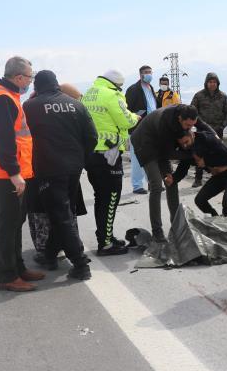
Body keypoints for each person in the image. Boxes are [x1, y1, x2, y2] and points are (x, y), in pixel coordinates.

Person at [0, 56, 45, 292]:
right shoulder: (2, 98)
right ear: (18, 77)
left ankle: (18, 268)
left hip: (9, 170)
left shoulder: (6, 95)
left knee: (16, 222)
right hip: (6, 172)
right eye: (29, 77)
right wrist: (14, 173)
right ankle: (7, 276)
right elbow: (3, 140)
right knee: (8, 225)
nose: (30, 81)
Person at [24, 71, 97, 280]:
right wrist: (79, 158)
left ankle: (81, 264)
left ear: (36, 87)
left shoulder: (29, 107)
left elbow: (22, 139)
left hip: (47, 169)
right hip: (73, 168)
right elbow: (92, 137)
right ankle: (49, 255)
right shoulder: (76, 104)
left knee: (61, 215)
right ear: (56, 84)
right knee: (63, 213)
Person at [130, 104, 215, 242]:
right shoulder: (166, 122)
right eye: (187, 125)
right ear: (180, 118)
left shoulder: (188, 115)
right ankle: (157, 231)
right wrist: (191, 156)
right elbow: (168, 153)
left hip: (162, 145)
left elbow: (203, 126)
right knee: (157, 185)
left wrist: (215, 136)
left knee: (171, 182)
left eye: (191, 126)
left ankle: (177, 227)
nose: (189, 128)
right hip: (145, 143)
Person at [82, 69, 140, 255]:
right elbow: (125, 121)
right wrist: (136, 117)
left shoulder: (89, 94)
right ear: (116, 84)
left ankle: (106, 236)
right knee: (111, 198)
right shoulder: (112, 94)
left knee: (101, 197)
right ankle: (105, 244)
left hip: (91, 154)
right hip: (109, 154)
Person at [172, 131, 227, 217]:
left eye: (186, 142)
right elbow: (182, 168)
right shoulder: (187, 150)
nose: (185, 146)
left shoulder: (206, 139)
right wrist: (173, 179)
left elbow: (226, 154)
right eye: (182, 144)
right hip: (218, 177)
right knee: (199, 200)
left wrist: (206, 161)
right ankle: (215, 217)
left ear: (192, 135)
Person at [190, 72, 227, 187]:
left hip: (217, 131)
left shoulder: (223, 96)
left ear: (217, 83)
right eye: (210, 82)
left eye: (214, 82)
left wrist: (222, 125)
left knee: (217, 155)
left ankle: (218, 179)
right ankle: (198, 179)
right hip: (202, 132)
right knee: (200, 154)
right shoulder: (199, 96)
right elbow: (192, 112)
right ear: (206, 83)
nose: (212, 84)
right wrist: (199, 124)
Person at [125, 65, 159, 194]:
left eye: (150, 72)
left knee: (151, 157)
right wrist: (137, 115)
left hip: (153, 128)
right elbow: (127, 109)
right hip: (138, 128)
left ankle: (152, 182)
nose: (149, 74)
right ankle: (137, 185)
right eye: (146, 72)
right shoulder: (133, 89)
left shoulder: (151, 88)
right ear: (140, 74)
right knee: (137, 157)